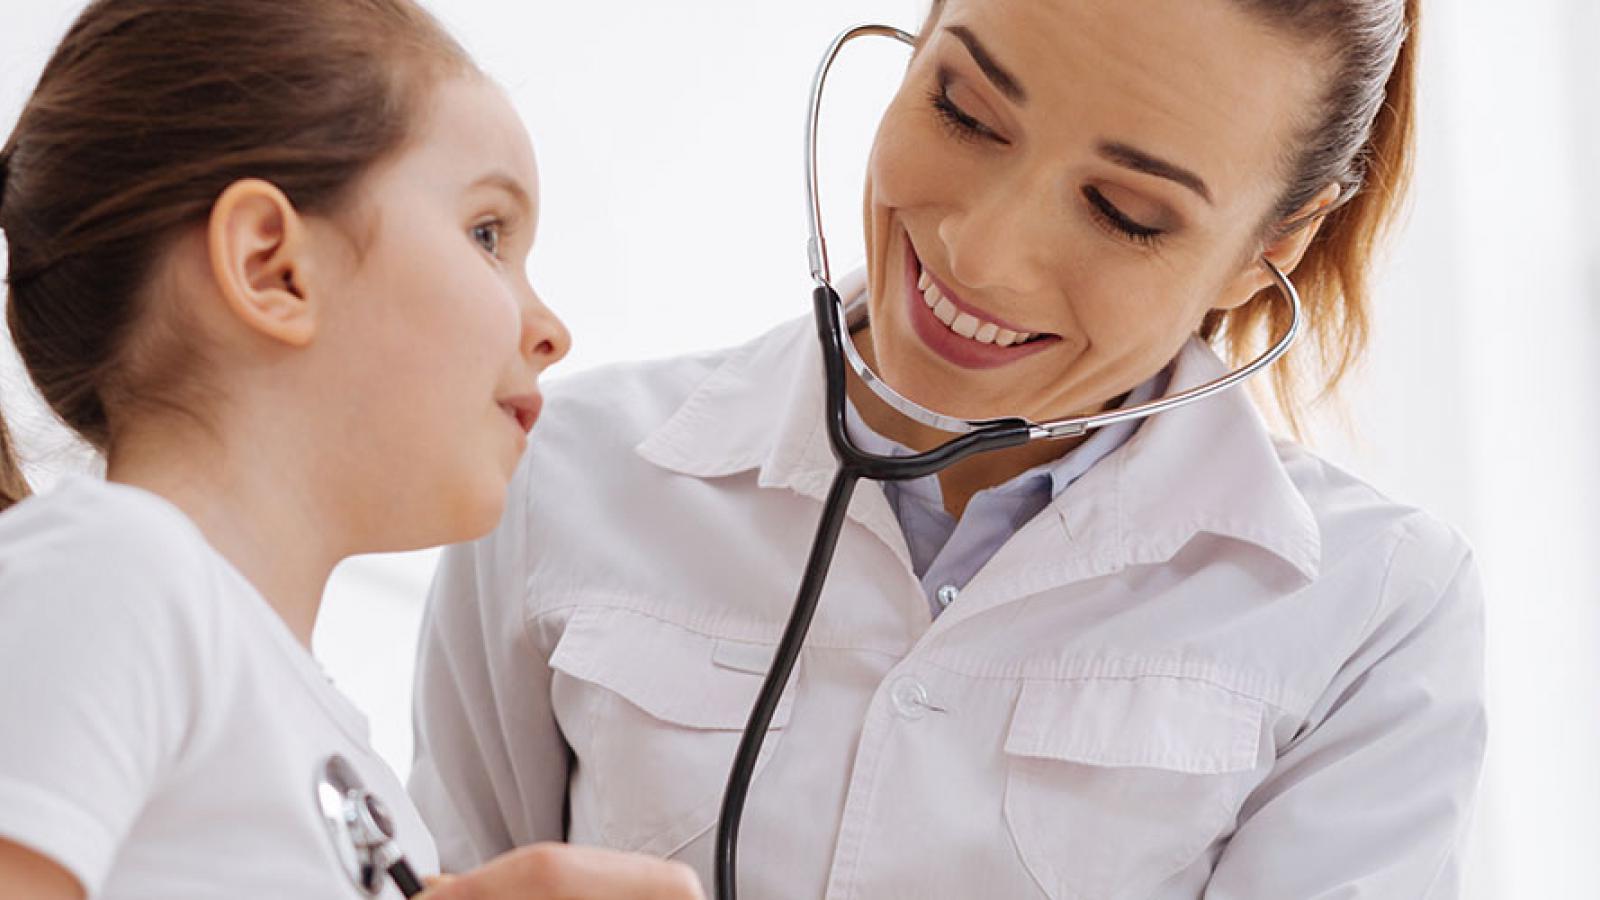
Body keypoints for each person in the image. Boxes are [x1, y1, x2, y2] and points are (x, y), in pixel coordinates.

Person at [410, 0, 1486, 897]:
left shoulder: (1372, 614)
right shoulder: (565, 468)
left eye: (1123, 211)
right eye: (965, 111)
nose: (981, 250)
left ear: (1274, 248)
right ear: (918, 42)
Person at [0, 2, 702, 898]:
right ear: (272, 268)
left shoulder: (356, 772)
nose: (552, 331)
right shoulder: (114, 578)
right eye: (488, 235)